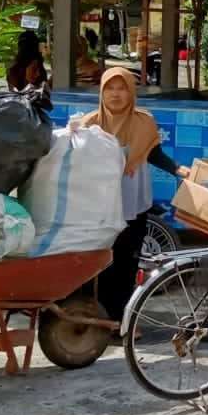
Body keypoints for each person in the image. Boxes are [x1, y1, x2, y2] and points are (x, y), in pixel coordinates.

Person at [80, 68, 189, 324]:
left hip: (133, 202)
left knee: (126, 265)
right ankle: (96, 321)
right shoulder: (89, 124)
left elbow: (153, 154)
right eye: (110, 88)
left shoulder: (144, 122)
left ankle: (121, 321)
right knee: (100, 264)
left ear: (131, 93)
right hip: (99, 206)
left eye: (122, 88)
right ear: (101, 91)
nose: (115, 94)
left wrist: (177, 169)